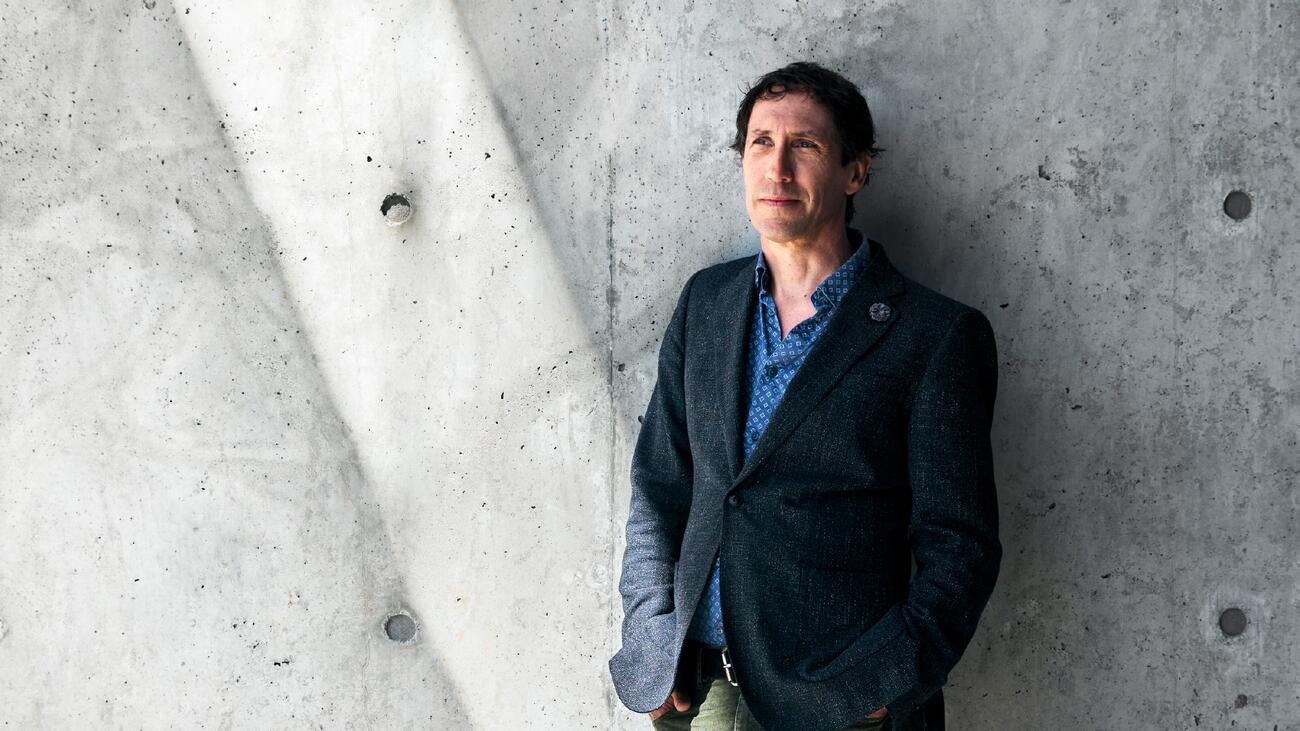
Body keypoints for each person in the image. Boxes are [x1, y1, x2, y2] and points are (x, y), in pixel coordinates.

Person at [608, 61, 1002, 731]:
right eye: (761, 142)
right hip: (697, 694)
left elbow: (960, 545)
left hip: (841, 707)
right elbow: (660, 488)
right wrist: (653, 638)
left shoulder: (933, 336)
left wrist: (880, 686)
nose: (777, 167)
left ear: (855, 171)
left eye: (806, 145)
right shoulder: (707, 304)